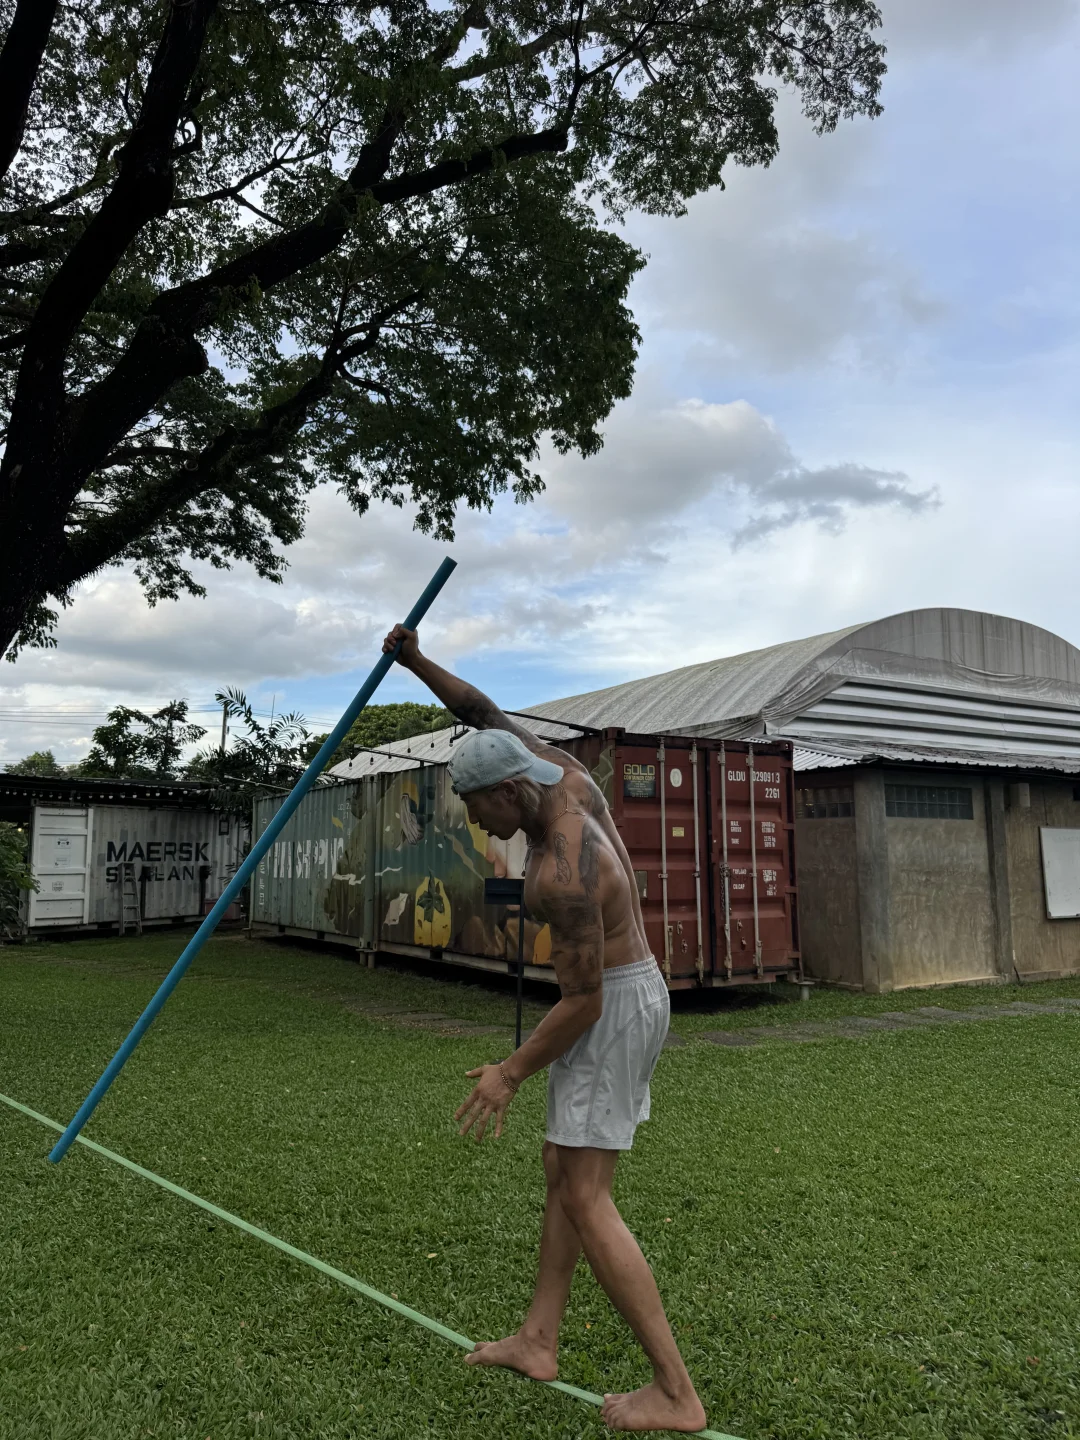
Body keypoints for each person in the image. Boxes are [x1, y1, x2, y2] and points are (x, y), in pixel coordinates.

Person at [383, 624, 708, 1435]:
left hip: (616, 1005)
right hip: (623, 995)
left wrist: (510, 1071)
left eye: (476, 810)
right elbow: (483, 709)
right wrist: (414, 659)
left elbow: (585, 1002)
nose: (476, 826)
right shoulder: (559, 777)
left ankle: (675, 1391)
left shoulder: (559, 875)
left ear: (508, 794)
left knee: (587, 1193)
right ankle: (538, 1338)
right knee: (561, 1167)